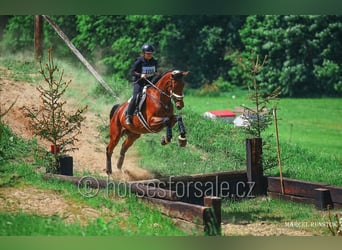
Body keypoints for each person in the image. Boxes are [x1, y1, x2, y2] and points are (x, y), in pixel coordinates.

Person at [125, 43, 158, 125]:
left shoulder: (154, 61)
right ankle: (128, 116)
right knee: (136, 97)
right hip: (138, 83)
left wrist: (155, 73)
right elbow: (132, 72)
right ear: (143, 53)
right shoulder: (139, 61)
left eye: (151, 53)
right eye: (148, 53)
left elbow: (154, 71)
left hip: (149, 83)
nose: (150, 55)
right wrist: (140, 75)